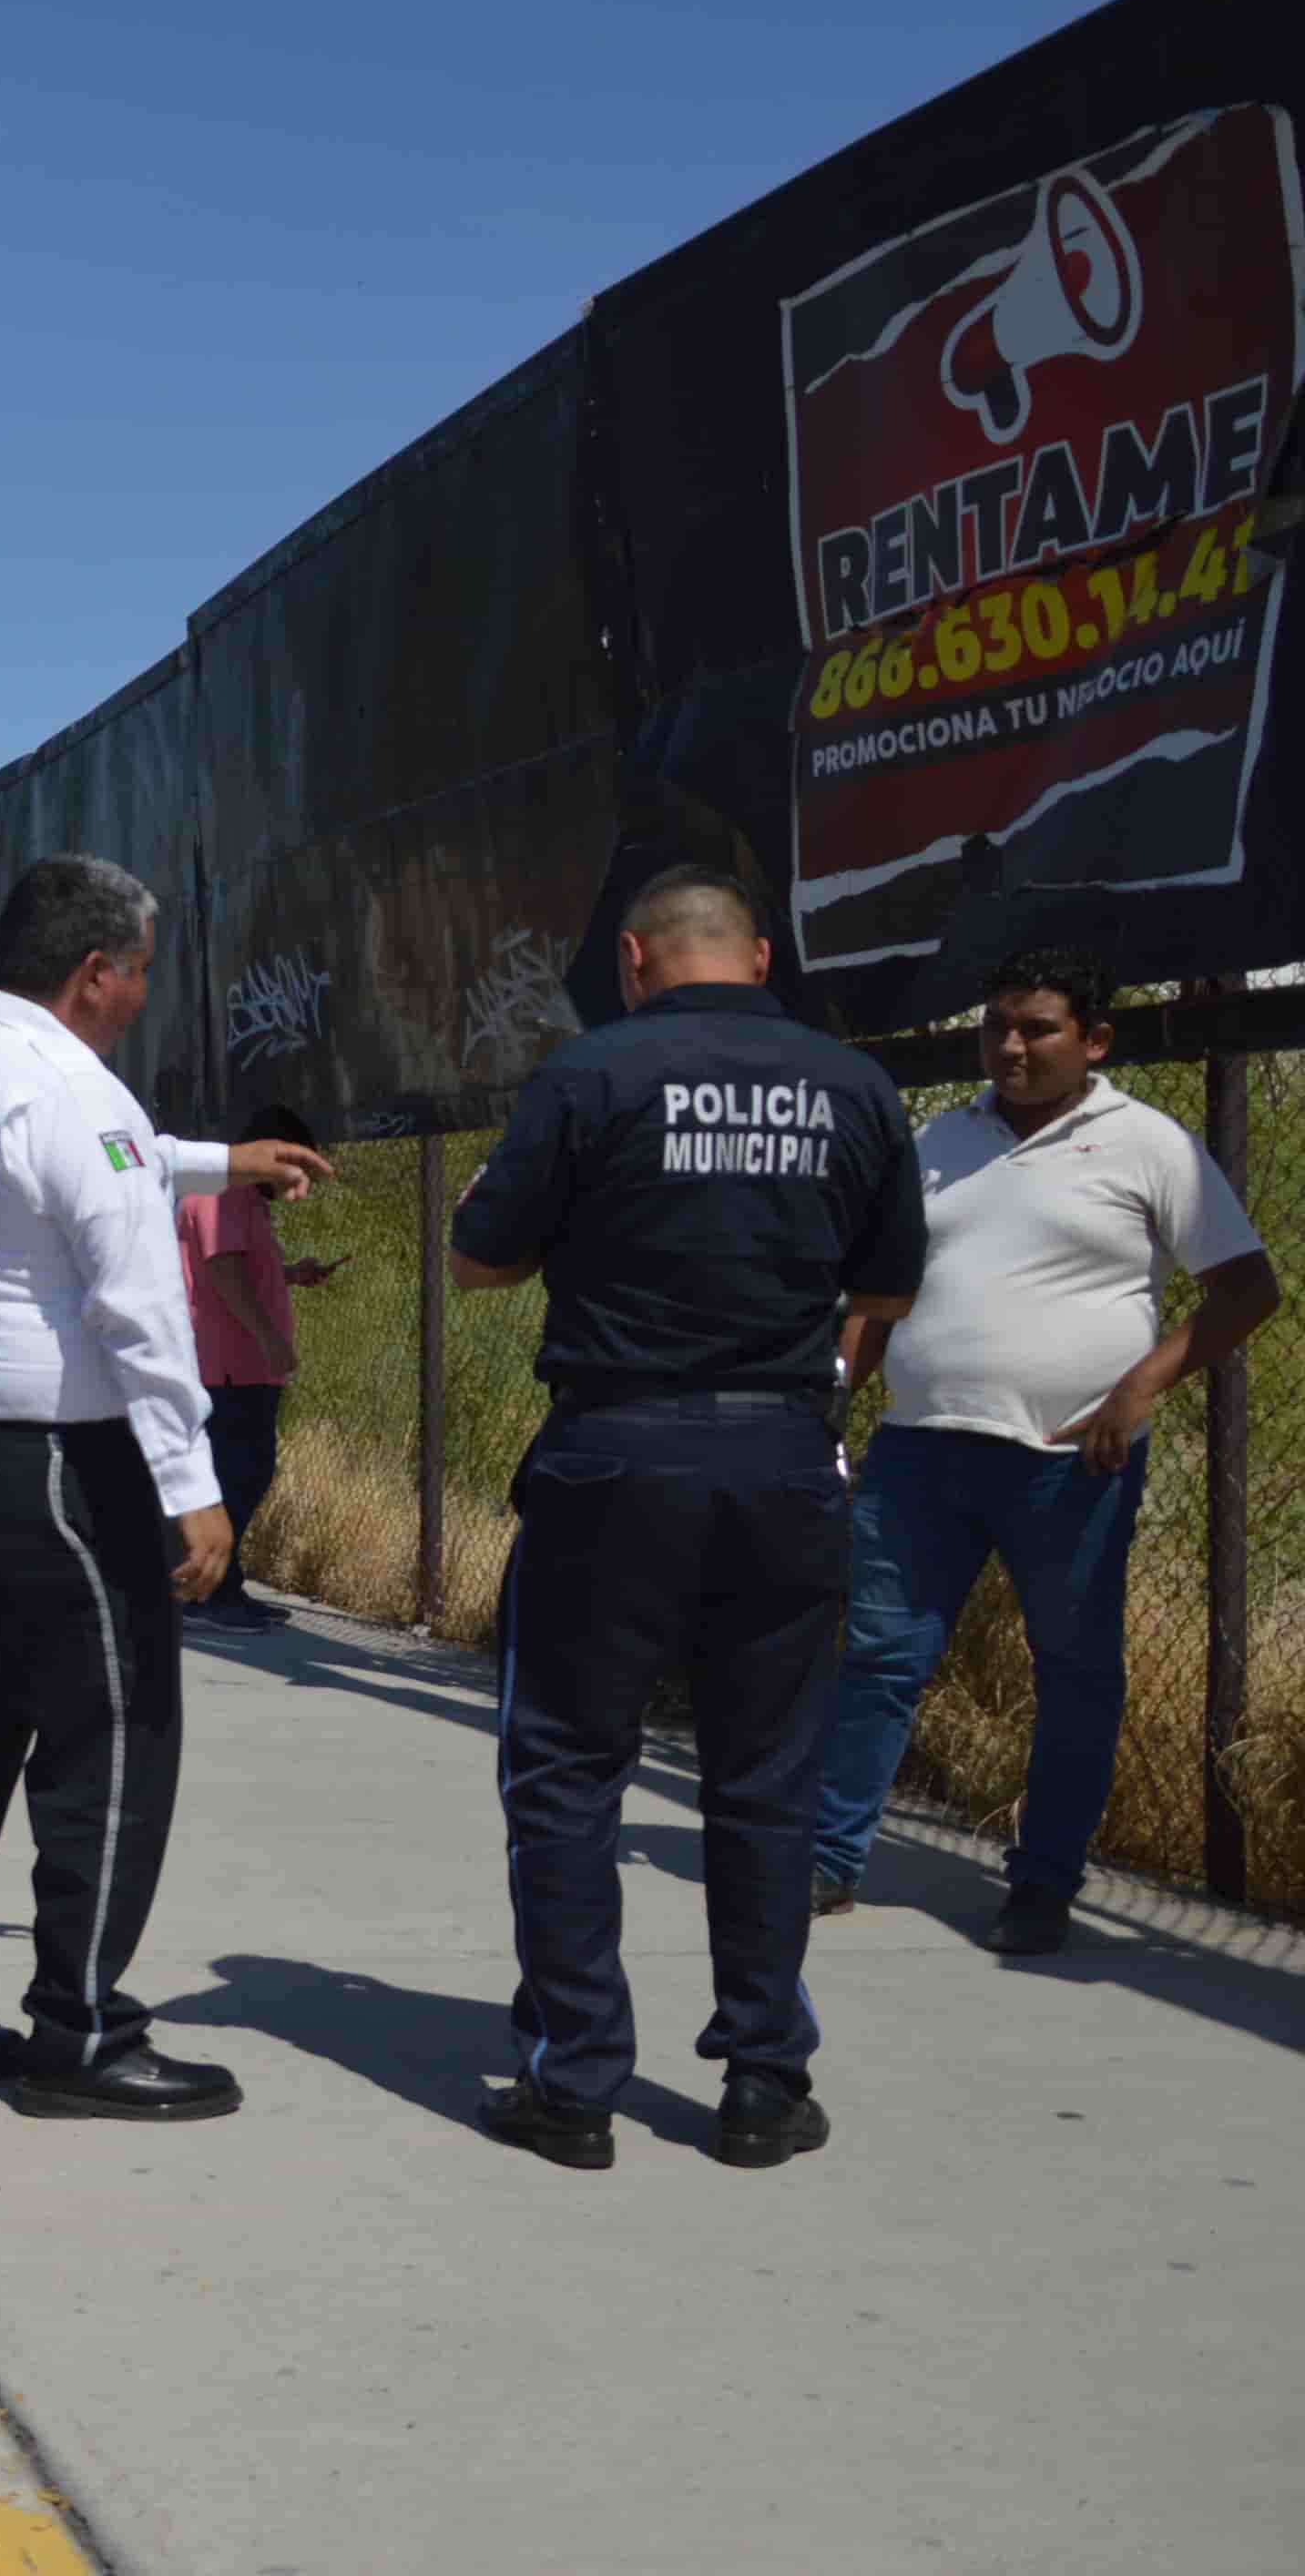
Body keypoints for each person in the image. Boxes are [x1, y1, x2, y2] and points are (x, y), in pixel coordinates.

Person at [0, 854, 333, 2118]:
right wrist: (191, 1479)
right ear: (94, 974)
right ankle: (84, 2036)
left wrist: (225, 1161)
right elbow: (139, 1302)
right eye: (141, 976)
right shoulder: (68, 1086)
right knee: (115, 1734)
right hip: (54, 1466)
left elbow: (114, 1161)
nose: (143, 998)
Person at [449, 864, 921, 2172]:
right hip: (783, 1456)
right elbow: (889, 1283)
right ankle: (765, 2080)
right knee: (765, 1779)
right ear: (761, 957)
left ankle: (576, 2079)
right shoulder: (856, 1087)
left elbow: (482, 1255)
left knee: (565, 1765)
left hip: (618, 1453)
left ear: (641, 962)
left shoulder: (590, 1076)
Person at [809, 947, 1279, 1954]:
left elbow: (1248, 1289)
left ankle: (1043, 1884)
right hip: (919, 1454)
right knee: (883, 1659)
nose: (1010, 1047)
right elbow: (880, 1295)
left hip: (1071, 1466)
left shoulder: (1150, 1146)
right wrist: (837, 1403)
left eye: (1037, 1029)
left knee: (1073, 1674)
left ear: (1094, 1041)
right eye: (996, 1028)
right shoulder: (939, 1141)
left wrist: (1137, 1389)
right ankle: (825, 1858)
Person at [176, 1102, 346, 1634]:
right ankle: (206, 1593)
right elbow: (222, 1270)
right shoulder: (221, 1191)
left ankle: (224, 1584)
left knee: (245, 1472)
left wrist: (291, 1274)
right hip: (229, 1365)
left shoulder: (243, 1197)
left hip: (245, 1366)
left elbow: (242, 1264)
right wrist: (269, 1337)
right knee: (237, 1475)